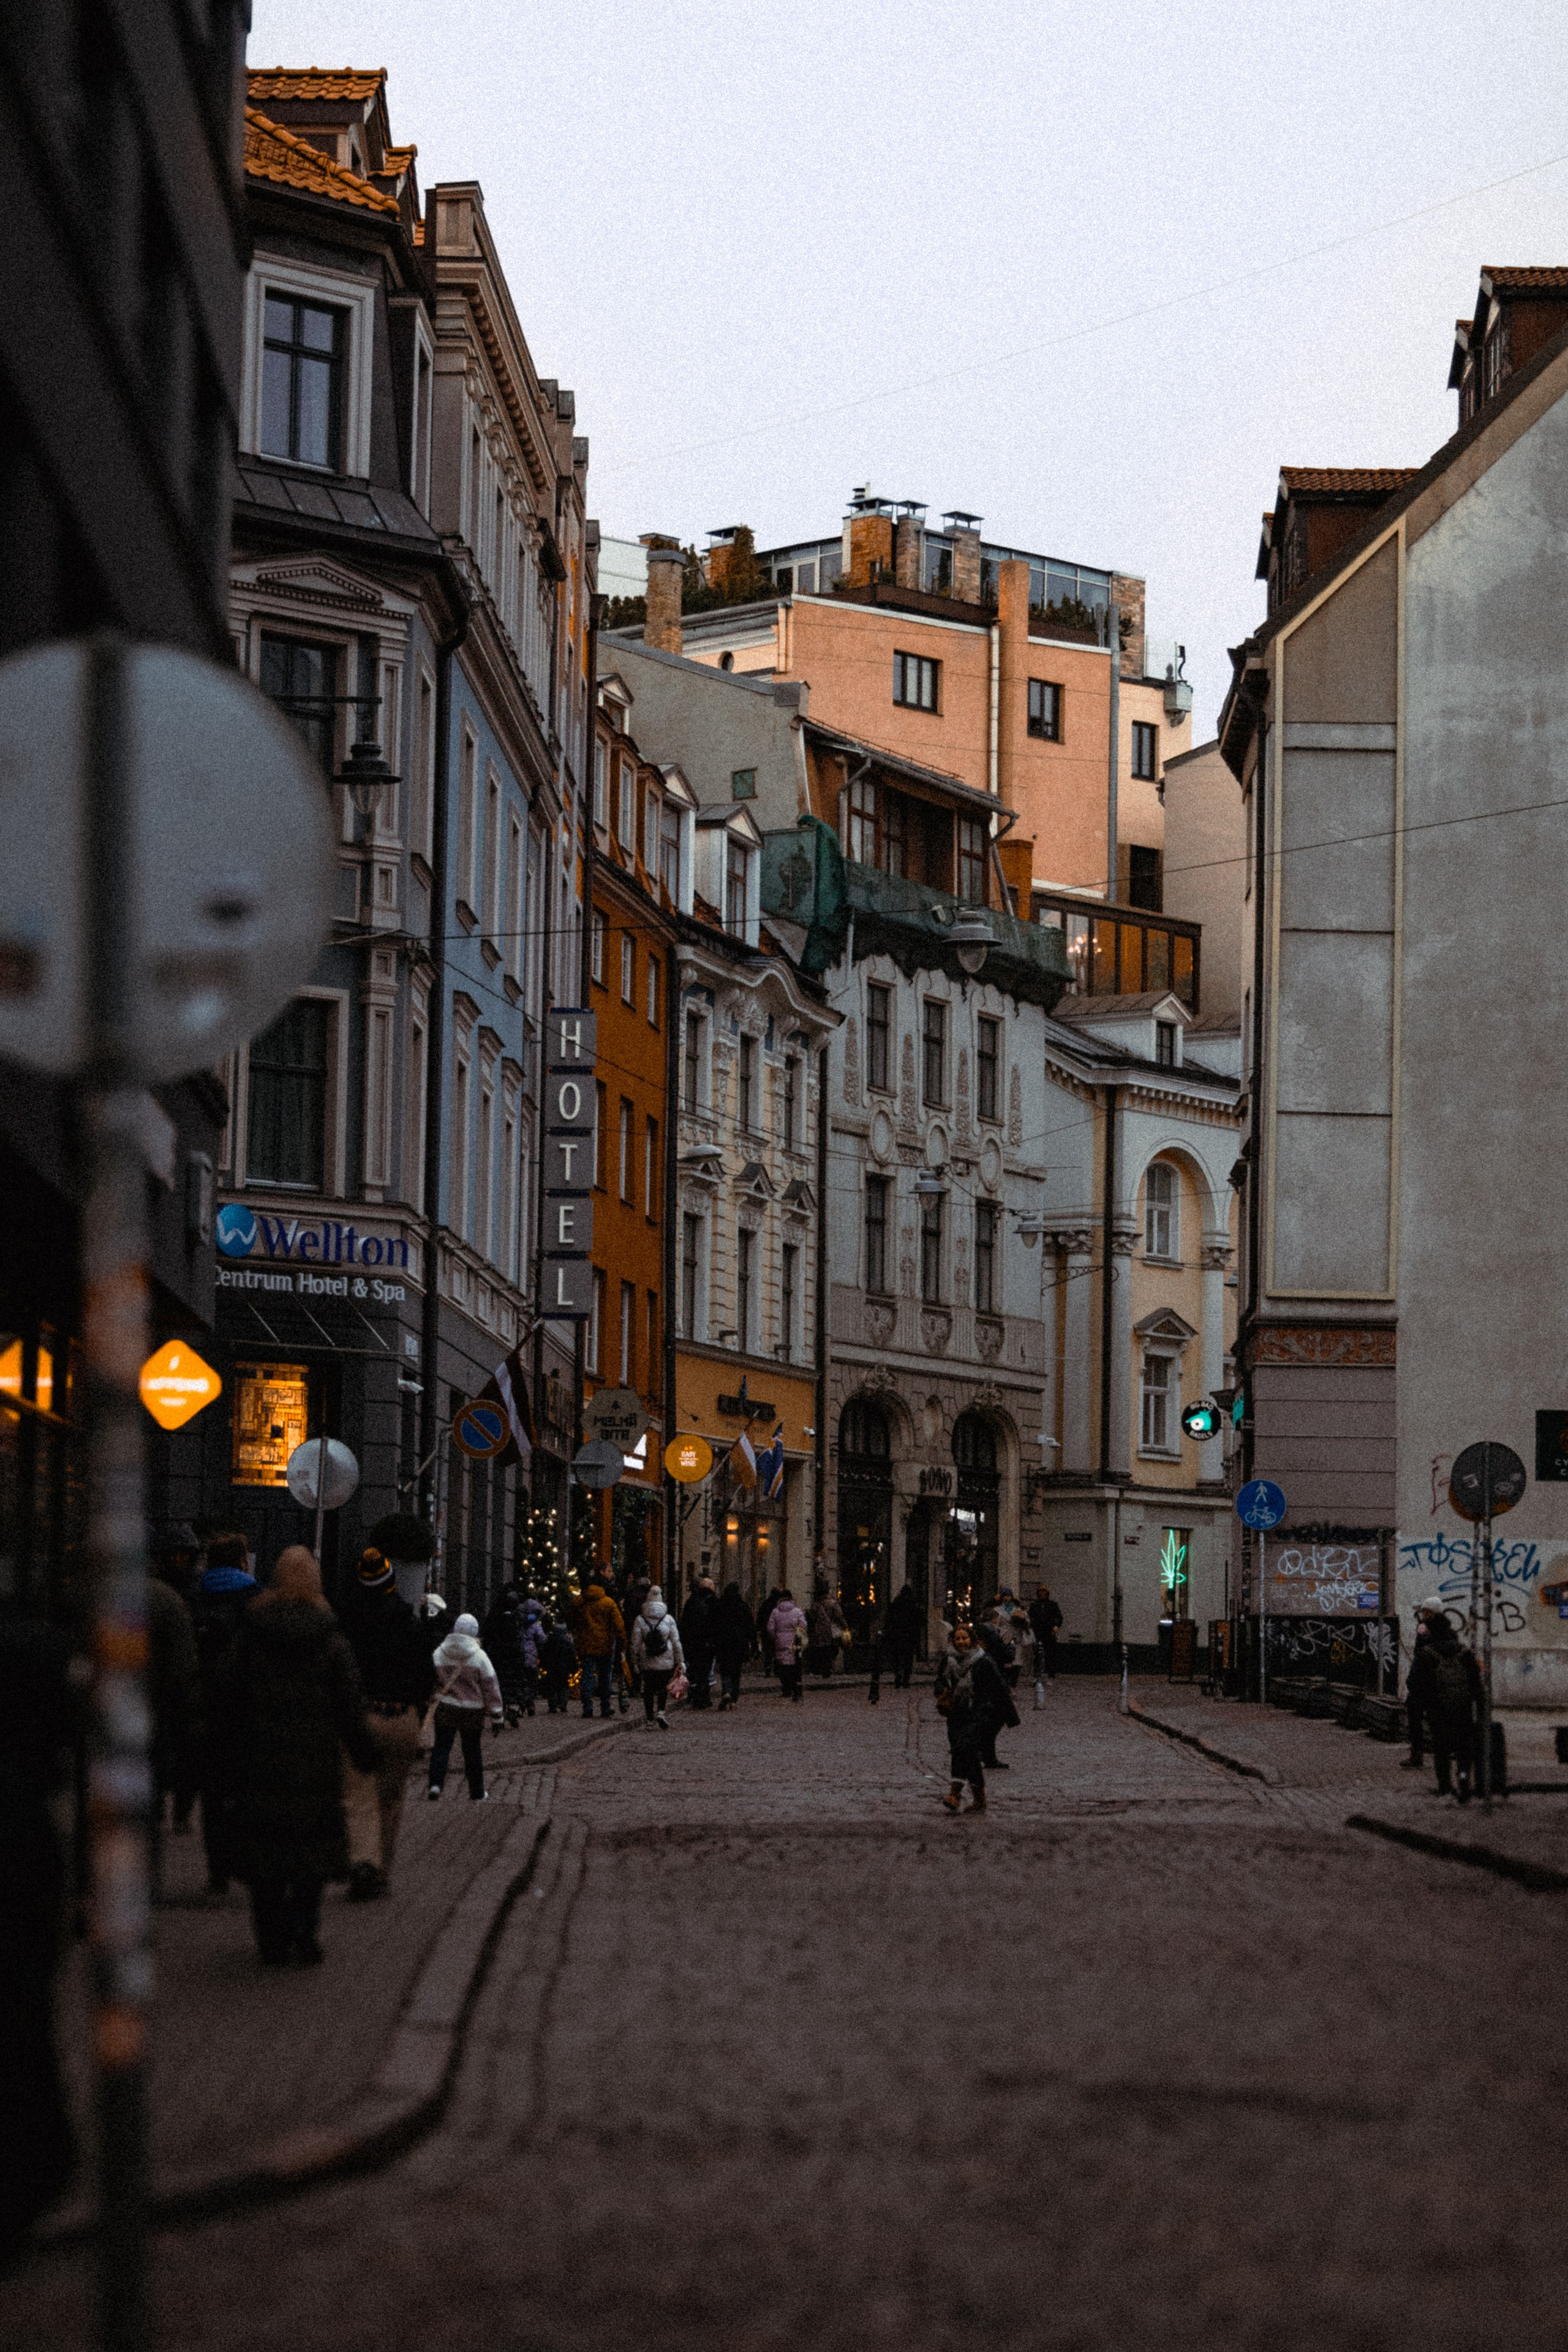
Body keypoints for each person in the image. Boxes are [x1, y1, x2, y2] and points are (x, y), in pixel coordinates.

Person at [219, 1546, 378, 1966]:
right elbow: (350, 1705)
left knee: (266, 1856)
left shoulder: (251, 1635)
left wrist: (223, 1758)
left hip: (260, 1764)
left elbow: (229, 1701)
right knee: (309, 1857)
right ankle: (305, 1934)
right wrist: (365, 1753)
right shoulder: (330, 1640)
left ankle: (271, 1939)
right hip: (314, 1766)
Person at [337, 1547, 437, 1899]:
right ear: (391, 1581)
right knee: (391, 1798)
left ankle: (363, 1860)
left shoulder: (347, 1621)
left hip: (362, 1716)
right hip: (400, 1719)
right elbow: (427, 1675)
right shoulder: (407, 1621)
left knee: (359, 1795)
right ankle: (381, 1871)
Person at [187, 1531, 258, 1899]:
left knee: (213, 1796)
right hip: (245, 1712)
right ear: (242, 1560)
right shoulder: (256, 1599)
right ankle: (245, 1863)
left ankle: (217, 1870)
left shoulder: (195, 1598)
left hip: (205, 1711)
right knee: (246, 1792)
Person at [145, 1566, 202, 1899]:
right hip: (153, 1716)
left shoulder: (85, 1590)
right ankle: (144, 1884)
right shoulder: (167, 1601)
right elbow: (182, 1671)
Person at [427, 1612, 503, 1801]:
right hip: (473, 1710)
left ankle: (436, 1784)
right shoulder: (480, 1656)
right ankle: (477, 1791)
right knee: (472, 1752)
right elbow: (491, 1687)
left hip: (446, 1706)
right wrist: (497, 1715)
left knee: (441, 1748)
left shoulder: (440, 1652)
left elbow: (430, 1679)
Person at [939, 1622, 1013, 1814]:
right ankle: (980, 1801)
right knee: (963, 1753)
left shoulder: (984, 1661)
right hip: (956, 1713)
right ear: (953, 1641)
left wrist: (1007, 1715)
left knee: (965, 1747)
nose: (962, 1642)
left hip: (979, 1713)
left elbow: (1000, 1688)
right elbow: (940, 1683)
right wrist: (942, 1693)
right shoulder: (948, 1661)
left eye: (965, 1638)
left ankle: (955, 1795)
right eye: (958, 1639)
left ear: (972, 1640)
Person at [1417, 1608, 1482, 1803]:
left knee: (1442, 1752)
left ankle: (1445, 1789)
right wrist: (1480, 1709)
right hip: (1462, 1710)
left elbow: (1416, 1684)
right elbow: (1477, 1685)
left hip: (1438, 1711)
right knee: (1463, 1750)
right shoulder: (1465, 1653)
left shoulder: (1426, 1654)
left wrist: (1422, 1708)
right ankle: (1463, 1783)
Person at [632, 1586, 685, 1727]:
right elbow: (676, 1642)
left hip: (647, 1658)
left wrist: (635, 1662)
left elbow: (636, 1643)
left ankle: (650, 1719)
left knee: (648, 1689)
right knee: (663, 1687)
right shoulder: (668, 1619)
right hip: (666, 1659)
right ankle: (661, 1712)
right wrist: (681, 1661)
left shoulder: (640, 1620)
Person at [571, 1579, 625, 1719]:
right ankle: (605, 1706)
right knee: (605, 1677)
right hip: (605, 1645)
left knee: (587, 1675)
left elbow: (569, 1618)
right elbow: (619, 1626)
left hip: (585, 1645)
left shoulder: (580, 1602)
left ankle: (587, 1708)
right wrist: (623, 1643)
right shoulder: (608, 1603)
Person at [481, 1580, 533, 1725]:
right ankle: (512, 1709)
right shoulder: (517, 1613)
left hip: (499, 1653)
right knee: (515, 1683)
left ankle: (500, 1711)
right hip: (515, 1653)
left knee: (500, 1682)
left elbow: (488, 1631)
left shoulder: (496, 1613)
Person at [1403, 1601, 1442, 1771]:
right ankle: (1436, 1752)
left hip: (1423, 1682)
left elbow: (1419, 1654)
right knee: (1434, 1719)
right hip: (1434, 1681)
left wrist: (1412, 1680)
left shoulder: (1423, 1628)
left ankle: (1417, 1753)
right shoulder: (1445, 1629)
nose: (1424, 1615)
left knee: (1417, 1717)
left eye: (1426, 1612)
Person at [680, 1574, 719, 1708]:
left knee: (695, 1671)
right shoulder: (706, 1603)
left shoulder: (691, 1603)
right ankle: (701, 1698)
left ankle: (697, 1696)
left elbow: (684, 1625)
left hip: (693, 1643)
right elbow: (710, 1625)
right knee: (703, 1672)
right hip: (704, 1643)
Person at [714, 1580, 755, 1709]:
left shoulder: (721, 1605)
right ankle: (734, 1699)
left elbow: (714, 1623)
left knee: (725, 1668)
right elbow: (750, 1626)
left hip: (724, 1641)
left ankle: (726, 1691)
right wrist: (753, 1643)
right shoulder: (742, 1605)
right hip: (739, 1642)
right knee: (736, 1671)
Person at [766, 1588, 807, 1703]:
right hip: (794, 1642)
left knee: (782, 1663)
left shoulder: (776, 1612)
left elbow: (770, 1628)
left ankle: (786, 1687)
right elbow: (803, 1625)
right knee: (794, 1665)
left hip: (780, 1641)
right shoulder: (797, 1611)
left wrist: (776, 1637)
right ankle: (795, 1686)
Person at [805, 1580, 848, 1678]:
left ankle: (818, 1669)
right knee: (830, 1650)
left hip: (817, 1631)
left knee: (820, 1650)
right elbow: (839, 1617)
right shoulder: (832, 1604)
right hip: (830, 1630)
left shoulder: (815, 1604)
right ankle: (827, 1670)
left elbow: (811, 1617)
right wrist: (845, 1627)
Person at [884, 1581, 922, 1688]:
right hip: (910, 1636)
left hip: (896, 1635)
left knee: (896, 1656)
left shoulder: (896, 1603)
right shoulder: (914, 1603)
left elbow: (889, 1619)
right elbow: (920, 1620)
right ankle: (906, 1679)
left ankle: (898, 1674)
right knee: (908, 1658)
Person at [540, 1613, 576, 1714]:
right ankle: (563, 1705)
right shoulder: (568, 1642)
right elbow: (571, 1656)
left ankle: (553, 1706)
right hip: (564, 1669)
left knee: (552, 1687)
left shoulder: (549, 1641)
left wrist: (543, 1665)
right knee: (564, 1686)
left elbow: (544, 1654)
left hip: (552, 1668)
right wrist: (574, 1668)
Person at [1029, 1584, 1064, 1683]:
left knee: (1051, 1655)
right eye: (1040, 1592)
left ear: (1047, 1594)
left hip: (1049, 1632)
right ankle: (1037, 1675)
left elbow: (1059, 1617)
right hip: (1038, 1632)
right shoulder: (1034, 1605)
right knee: (1037, 1654)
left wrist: (1057, 1626)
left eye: (1044, 1592)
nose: (1042, 1594)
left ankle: (1051, 1676)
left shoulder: (1053, 1605)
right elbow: (1030, 1617)